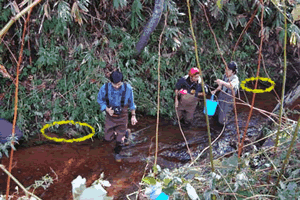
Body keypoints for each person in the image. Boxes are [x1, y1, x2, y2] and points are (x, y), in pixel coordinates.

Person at [97, 70, 137, 162]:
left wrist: (133, 116)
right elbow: (100, 101)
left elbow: (132, 104)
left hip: (123, 115)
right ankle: (124, 132)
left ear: (122, 82)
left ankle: (117, 153)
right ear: (111, 82)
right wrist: (107, 109)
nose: (116, 86)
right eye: (114, 84)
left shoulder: (128, 89)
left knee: (120, 140)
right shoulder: (105, 88)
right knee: (107, 138)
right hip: (110, 114)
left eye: (119, 84)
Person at [211, 61, 239, 126]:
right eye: (226, 69)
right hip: (221, 96)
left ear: (233, 72)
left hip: (228, 100)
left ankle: (226, 127)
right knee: (215, 115)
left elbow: (231, 86)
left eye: (229, 70)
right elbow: (220, 87)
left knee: (222, 121)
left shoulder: (235, 79)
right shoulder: (225, 76)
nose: (226, 71)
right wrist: (215, 91)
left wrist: (222, 82)